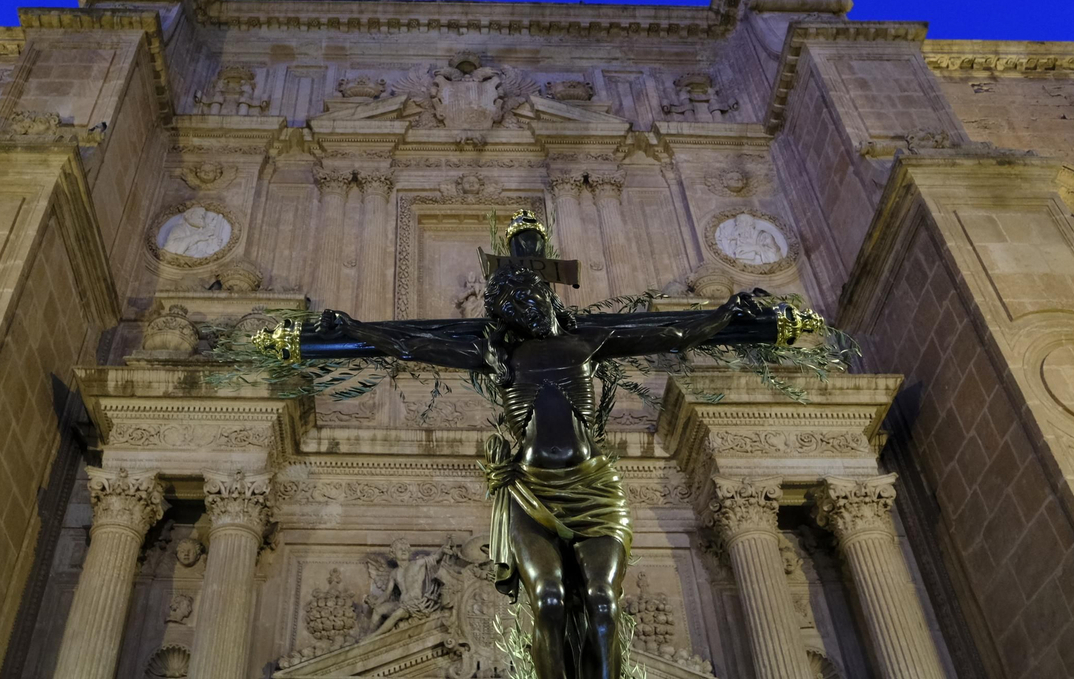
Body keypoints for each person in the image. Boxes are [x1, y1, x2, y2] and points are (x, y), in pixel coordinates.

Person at [316, 213, 764, 679]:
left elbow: (669, 334)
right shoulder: (500, 357)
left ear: (548, 298)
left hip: (594, 491)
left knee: (602, 601)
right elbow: (412, 345)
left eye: (530, 298)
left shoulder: (587, 342)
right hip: (532, 494)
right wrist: (355, 329)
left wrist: (725, 315)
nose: (526, 309)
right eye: (514, 306)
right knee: (549, 601)